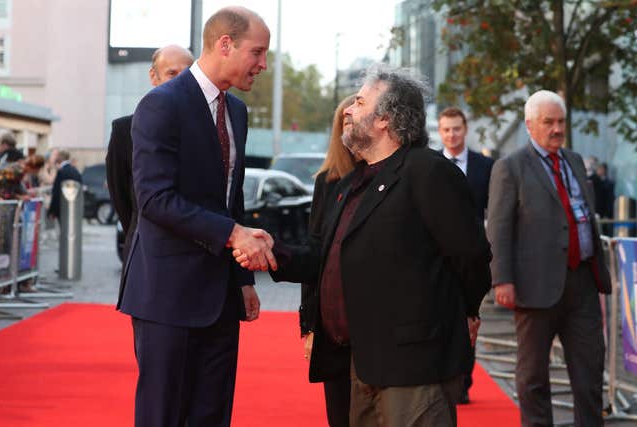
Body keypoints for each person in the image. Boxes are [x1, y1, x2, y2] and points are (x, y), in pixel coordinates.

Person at [241, 64, 492, 426]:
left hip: (414, 365)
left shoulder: (427, 171)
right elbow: (322, 257)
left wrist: (467, 312)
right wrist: (269, 250)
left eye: (359, 101)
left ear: (384, 119)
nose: (348, 109)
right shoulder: (351, 182)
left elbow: (471, 255)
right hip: (361, 362)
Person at [118, 7, 276, 427]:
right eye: (257, 52)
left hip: (221, 297)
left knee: (212, 415)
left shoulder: (237, 112)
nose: (263, 64)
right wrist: (232, 234)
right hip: (166, 295)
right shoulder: (160, 105)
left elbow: (231, 198)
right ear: (225, 44)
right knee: (163, 416)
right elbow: (153, 199)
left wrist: (242, 280)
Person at [487, 90, 611, 427]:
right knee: (533, 377)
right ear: (529, 125)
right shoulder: (509, 168)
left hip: (582, 282)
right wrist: (503, 279)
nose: (557, 129)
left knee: (589, 373)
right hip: (534, 287)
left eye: (560, 122)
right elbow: (498, 228)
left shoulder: (572, 160)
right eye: (548, 123)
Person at [105, 44, 194, 263]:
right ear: (154, 77)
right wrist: (138, 231)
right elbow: (121, 196)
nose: (179, 82)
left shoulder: (206, 128)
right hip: (144, 252)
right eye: (171, 73)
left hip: (194, 254)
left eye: (187, 75)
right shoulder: (124, 130)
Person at [301, 95, 356, 427]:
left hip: (373, 325)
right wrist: (308, 325)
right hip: (332, 323)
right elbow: (314, 255)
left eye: (355, 120)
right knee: (339, 412)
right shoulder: (327, 182)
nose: (350, 128)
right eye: (344, 122)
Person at [438, 106, 494, 404]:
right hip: (439, 257)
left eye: (456, 128)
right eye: (446, 129)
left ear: (465, 129)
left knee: (470, 314)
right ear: (439, 131)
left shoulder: (486, 167)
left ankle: (464, 379)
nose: (451, 134)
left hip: (473, 256)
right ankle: (445, 375)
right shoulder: (430, 164)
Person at [47, 150, 81, 220]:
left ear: (60, 158)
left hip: (62, 207)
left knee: (63, 229)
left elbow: (56, 192)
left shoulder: (61, 172)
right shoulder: (75, 171)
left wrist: (52, 211)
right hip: (74, 206)